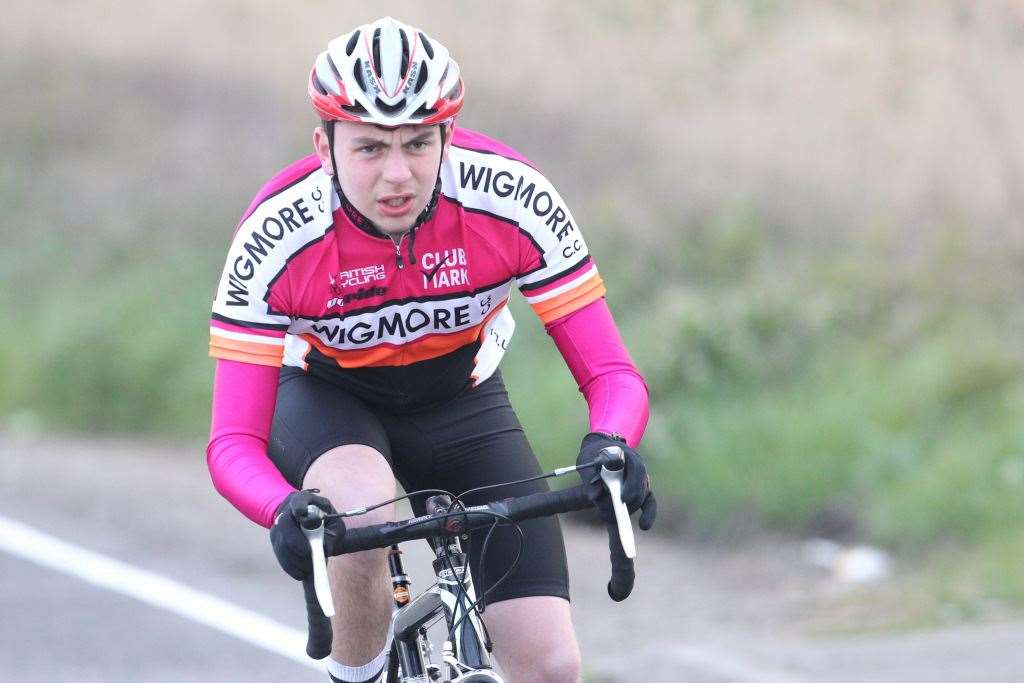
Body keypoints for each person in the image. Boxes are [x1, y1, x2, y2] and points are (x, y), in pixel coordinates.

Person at [206, 16, 654, 683]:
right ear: (324, 147)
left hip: (460, 398)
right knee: (358, 505)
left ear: (448, 135)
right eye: (369, 148)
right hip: (330, 397)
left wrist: (611, 442)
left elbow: (612, 373)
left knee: (553, 667)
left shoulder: (511, 198)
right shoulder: (277, 236)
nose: (397, 174)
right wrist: (283, 508)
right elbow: (233, 440)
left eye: (418, 143)